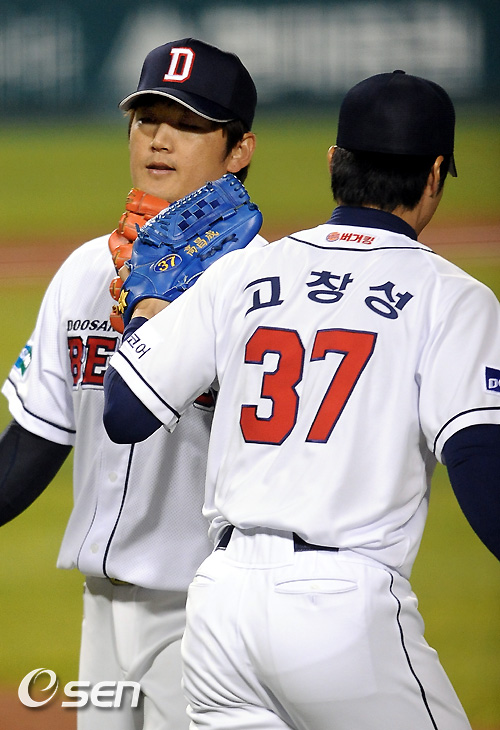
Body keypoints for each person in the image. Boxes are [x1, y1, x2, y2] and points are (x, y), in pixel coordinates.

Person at [103, 69, 500, 730]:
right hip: (339, 611)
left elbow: (123, 412)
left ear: (334, 162)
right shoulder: (452, 297)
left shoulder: (244, 270)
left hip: (220, 611)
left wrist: (149, 304)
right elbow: (482, 465)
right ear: (435, 175)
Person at [0, 37, 265, 730]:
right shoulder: (88, 272)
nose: (160, 139)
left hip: (209, 610)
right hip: (102, 609)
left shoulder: (264, 288)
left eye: (189, 124)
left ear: (239, 150)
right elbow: (31, 447)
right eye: (148, 119)